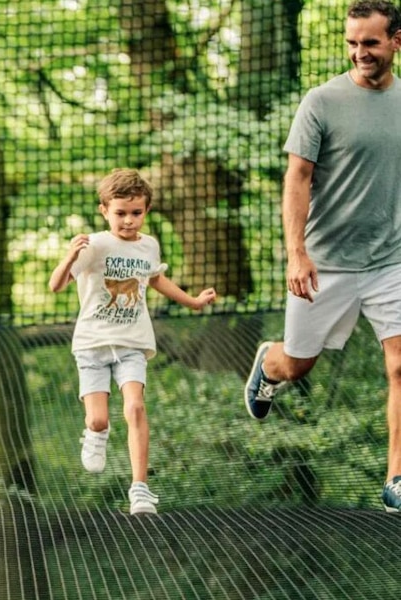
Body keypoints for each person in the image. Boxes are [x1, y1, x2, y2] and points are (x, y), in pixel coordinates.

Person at [243, 0, 401, 513]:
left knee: (400, 365)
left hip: (391, 262)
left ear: (396, 41)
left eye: (370, 42)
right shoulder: (321, 101)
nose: (360, 52)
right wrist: (297, 254)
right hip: (325, 263)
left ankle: (397, 478)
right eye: (352, 42)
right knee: (298, 365)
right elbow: (298, 178)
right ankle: (270, 363)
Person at [49, 168, 216, 515]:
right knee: (98, 420)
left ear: (146, 210)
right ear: (104, 211)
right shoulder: (95, 245)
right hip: (92, 345)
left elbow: (156, 280)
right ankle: (96, 433)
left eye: (136, 213)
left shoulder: (149, 245)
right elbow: (56, 286)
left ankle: (140, 488)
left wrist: (193, 302)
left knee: (136, 407)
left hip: (132, 343)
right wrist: (69, 256)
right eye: (120, 213)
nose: (128, 220)